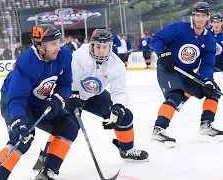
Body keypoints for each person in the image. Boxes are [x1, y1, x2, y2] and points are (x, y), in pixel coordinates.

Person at [31, 29, 149, 176]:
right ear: (92, 45)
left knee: (125, 116)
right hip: (72, 94)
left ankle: (127, 149)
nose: (101, 50)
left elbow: (120, 90)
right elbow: (68, 77)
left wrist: (117, 107)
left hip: (95, 96)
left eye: (105, 47)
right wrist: (72, 94)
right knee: (66, 126)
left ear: (110, 47)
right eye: (98, 46)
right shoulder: (80, 56)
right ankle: (46, 158)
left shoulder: (115, 63)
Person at [0, 24, 78, 180]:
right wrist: (19, 121)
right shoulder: (26, 63)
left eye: (58, 42)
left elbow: (65, 85)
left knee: (69, 127)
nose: (58, 47)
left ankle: (48, 171)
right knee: (23, 138)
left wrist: (58, 99)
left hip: (40, 100)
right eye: (53, 44)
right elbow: (16, 99)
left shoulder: (64, 55)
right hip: (14, 100)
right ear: (40, 46)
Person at [150, 2, 223, 148]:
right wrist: (163, 53)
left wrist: (208, 80)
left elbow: (207, 64)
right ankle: (159, 130)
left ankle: (206, 125)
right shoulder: (179, 28)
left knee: (214, 91)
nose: (200, 19)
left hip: (187, 73)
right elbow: (156, 39)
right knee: (175, 96)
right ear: (193, 16)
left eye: (203, 16)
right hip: (169, 69)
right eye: (197, 15)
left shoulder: (209, 40)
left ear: (207, 18)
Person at [178, 12, 223, 109]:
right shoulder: (206, 32)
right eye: (214, 22)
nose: (216, 24)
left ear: (221, 22)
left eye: (218, 22)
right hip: (209, 63)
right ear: (211, 23)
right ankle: (181, 101)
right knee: (196, 81)